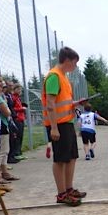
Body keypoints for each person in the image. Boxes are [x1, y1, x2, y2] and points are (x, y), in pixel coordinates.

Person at [41, 46, 87, 206]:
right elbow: (50, 103)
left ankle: (68, 189)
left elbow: (61, 102)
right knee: (60, 159)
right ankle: (61, 194)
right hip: (58, 125)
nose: (75, 67)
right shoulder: (54, 76)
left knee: (71, 157)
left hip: (67, 122)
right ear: (67, 61)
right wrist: (53, 127)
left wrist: (75, 104)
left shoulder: (63, 77)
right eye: (74, 63)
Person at [11, 83, 27, 160]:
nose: (20, 90)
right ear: (14, 89)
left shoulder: (18, 98)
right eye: (18, 89)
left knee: (20, 136)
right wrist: (21, 109)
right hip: (17, 119)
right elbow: (12, 109)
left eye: (20, 89)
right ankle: (16, 153)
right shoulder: (13, 98)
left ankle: (19, 152)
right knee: (17, 136)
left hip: (21, 118)